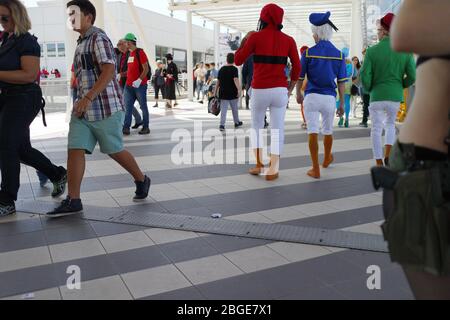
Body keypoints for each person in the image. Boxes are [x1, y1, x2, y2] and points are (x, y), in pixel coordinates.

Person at [372, 0, 450, 300]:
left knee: (379, 132)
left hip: (427, 168)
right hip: (432, 176)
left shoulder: (375, 53)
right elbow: (408, 29)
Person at [47, 0, 150, 217]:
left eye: (74, 14)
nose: (70, 19)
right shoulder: (81, 41)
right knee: (74, 149)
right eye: (69, 15)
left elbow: (109, 70)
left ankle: (141, 179)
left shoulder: (98, 37)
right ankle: (73, 199)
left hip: (105, 107)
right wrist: (80, 100)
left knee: (114, 150)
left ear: (88, 17)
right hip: (83, 110)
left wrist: (89, 97)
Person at [0, 0, 67, 217]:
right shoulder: (5, 40)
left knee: (6, 145)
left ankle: (7, 200)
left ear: (17, 16)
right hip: (7, 97)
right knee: (20, 149)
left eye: (4, 18)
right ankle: (57, 174)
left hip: (24, 98)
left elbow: (29, 75)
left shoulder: (27, 42)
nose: (1, 23)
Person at [235, 3, 300, 181]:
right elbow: (297, 66)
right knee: (278, 129)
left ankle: (258, 164)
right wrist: (291, 87)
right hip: (280, 90)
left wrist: (245, 41)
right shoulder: (289, 40)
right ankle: (274, 169)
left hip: (259, 90)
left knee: (257, 127)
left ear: (263, 18)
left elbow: (238, 60)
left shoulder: (255, 37)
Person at [296, 11, 348, 180]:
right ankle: (326, 158)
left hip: (311, 97)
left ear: (317, 33)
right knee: (328, 131)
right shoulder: (339, 55)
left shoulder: (308, 53)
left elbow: (300, 77)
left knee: (312, 131)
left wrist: (297, 93)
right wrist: (341, 104)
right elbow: (341, 81)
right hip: (329, 98)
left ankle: (315, 168)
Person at [360, 13, 416, 167]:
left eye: (378, 30)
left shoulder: (372, 51)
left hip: (377, 96)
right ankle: (388, 155)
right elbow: (412, 76)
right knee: (390, 125)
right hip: (395, 96)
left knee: (376, 129)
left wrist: (370, 88)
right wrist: (400, 85)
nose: (377, 33)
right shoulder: (405, 51)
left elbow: (365, 76)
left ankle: (378, 162)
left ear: (384, 31)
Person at [122, 33, 150, 135]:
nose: (125, 44)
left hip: (140, 86)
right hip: (129, 86)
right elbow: (130, 71)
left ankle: (146, 127)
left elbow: (146, 68)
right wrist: (121, 74)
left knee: (143, 106)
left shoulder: (140, 52)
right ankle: (126, 128)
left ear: (129, 42)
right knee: (127, 107)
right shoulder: (130, 54)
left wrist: (139, 80)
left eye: (125, 42)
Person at [116, 39, 142, 129]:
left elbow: (132, 70)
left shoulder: (130, 54)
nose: (119, 47)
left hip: (129, 83)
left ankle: (126, 125)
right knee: (126, 104)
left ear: (125, 45)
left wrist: (121, 74)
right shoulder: (119, 56)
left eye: (120, 45)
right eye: (118, 46)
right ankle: (138, 120)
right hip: (120, 83)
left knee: (126, 104)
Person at [214, 53, 243, 132]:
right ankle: (236, 122)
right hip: (232, 93)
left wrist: (215, 92)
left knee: (224, 110)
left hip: (223, 93)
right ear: (234, 60)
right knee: (234, 109)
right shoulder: (234, 69)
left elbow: (218, 82)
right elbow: (235, 80)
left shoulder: (221, 69)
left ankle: (222, 125)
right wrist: (239, 89)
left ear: (227, 60)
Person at [336, 47, 353, 128]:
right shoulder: (351, 63)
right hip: (348, 84)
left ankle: (341, 118)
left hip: (339, 84)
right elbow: (352, 74)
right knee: (347, 102)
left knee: (338, 101)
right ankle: (347, 120)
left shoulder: (338, 61)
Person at [359, 48, 371, 128]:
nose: (364, 55)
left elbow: (363, 74)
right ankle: (365, 120)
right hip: (366, 87)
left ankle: (364, 121)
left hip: (366, 88)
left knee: (366, 104)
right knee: (366, 104)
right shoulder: (364, 62)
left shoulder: (366, 62)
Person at [299, 45, 309, 129]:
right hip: (311, 87)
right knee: (310, 105)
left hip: (303, 87)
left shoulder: (300, 62)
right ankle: (308, 121)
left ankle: (305, 121)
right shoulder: (313, 60)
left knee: (303, 105)